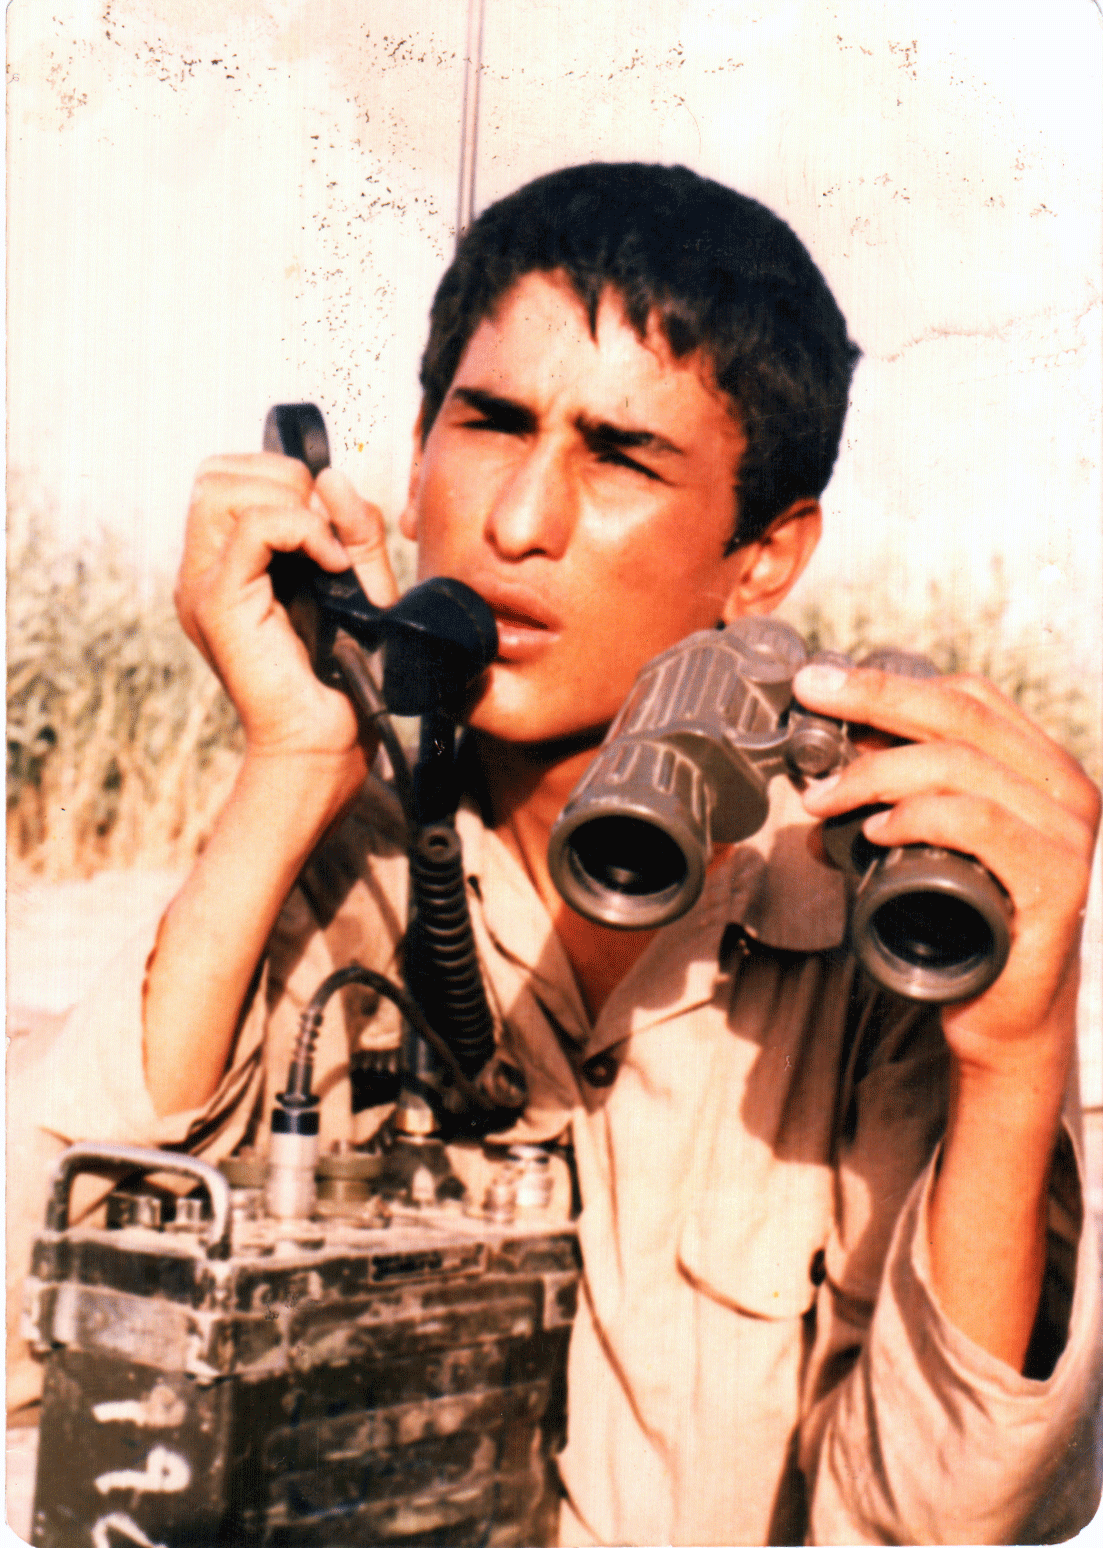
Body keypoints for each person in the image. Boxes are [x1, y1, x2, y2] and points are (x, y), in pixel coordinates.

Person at [8, 163, 1101, 1544]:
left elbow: (934, 1522)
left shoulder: (872, 915)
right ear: (415, 461)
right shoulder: (333, 866)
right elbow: (27, 1353)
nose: (520, 523)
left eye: (620, 458)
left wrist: (1013, 1059)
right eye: (491, 425)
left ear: (764, 558)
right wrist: (288, 770)